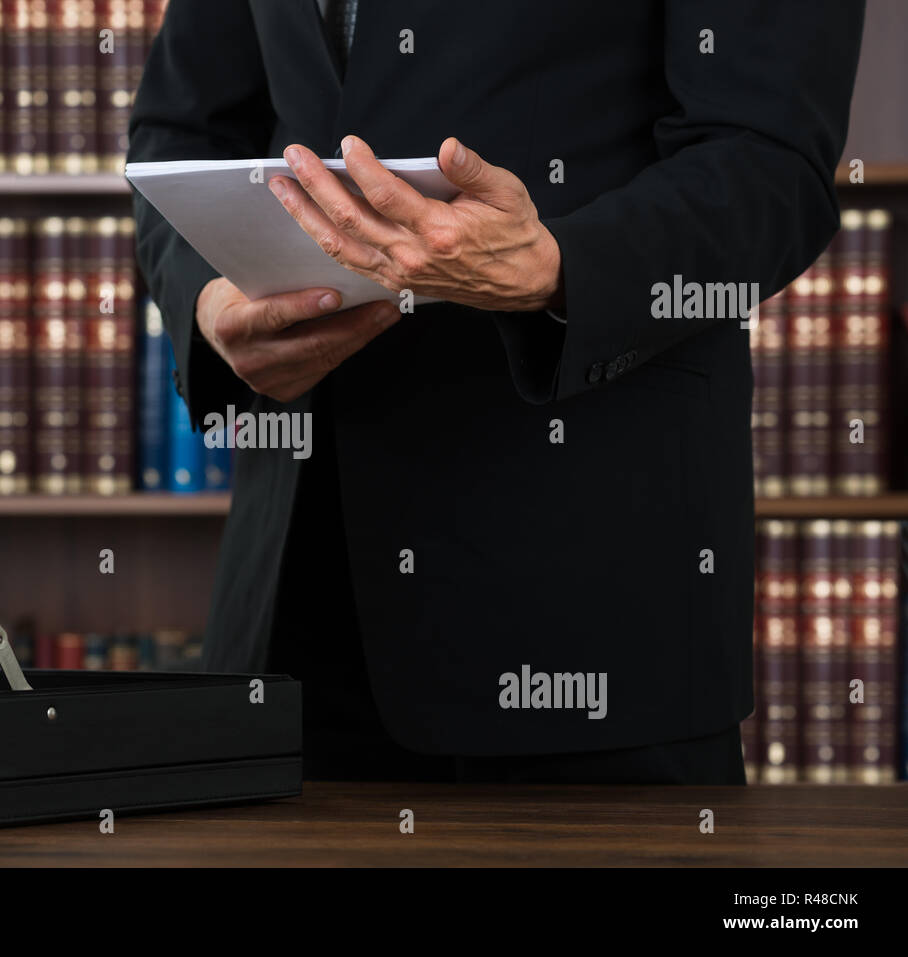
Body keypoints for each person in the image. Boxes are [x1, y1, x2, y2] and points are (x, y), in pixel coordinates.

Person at [127, 0, 865, 783]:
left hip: (589, 604)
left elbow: (768, 159)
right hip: (285, 618)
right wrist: (208, 303)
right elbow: (180, 133)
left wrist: (558, 268)